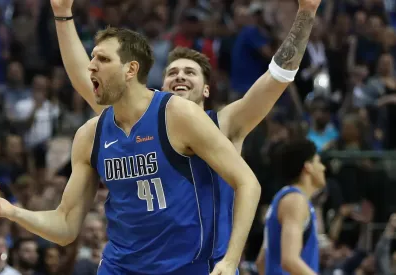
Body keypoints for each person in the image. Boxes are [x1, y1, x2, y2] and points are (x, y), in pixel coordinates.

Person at [0, 27, 261, 275]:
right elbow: (65, 225)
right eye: (91, 58)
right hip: (121, 267)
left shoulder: (178, 115)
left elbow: (248, 183)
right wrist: (12, 212)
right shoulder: (90, 135)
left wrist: (232, 259)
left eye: (102, 59)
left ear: (131, 69)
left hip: (187, 266)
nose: (91, 66)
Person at [51, 0, 321, 269]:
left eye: (189, 72)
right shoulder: (145, 120)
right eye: (172, 73)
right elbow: (85, 79)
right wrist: (63, 15)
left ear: (206, 89)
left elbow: (277, 77)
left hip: (213, 265)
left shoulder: (225, 123)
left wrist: (306, 12)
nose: (179, 76)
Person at [255, 139, 325, 275]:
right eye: (318, 161)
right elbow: (290, 260)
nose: (323, 167)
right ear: (308, 167)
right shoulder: (295, 201)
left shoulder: (283, 198)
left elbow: (261, 262)